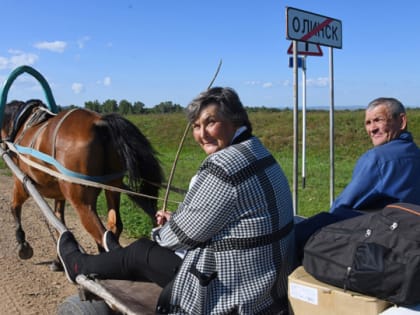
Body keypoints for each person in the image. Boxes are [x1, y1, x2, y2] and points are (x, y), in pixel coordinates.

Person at [57, 87, 296, 314]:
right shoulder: (257, 151)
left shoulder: (223, 167)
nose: (202, 134)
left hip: (230, 291)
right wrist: (180, 219)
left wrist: (163, 230)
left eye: (210, 123)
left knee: (141, 251)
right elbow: (230, 214)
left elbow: (176, 238)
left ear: (236, 121)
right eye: (196, 126)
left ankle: (78, 264)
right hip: (266, 280)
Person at [295, 97, 420, 261]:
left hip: (380, 234)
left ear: (401, 121)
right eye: (368, 123)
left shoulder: (377, 158)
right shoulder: (415, 154)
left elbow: (344, 204)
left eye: (378, 120)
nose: (372, 129)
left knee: (299, 233)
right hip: (409, 234)